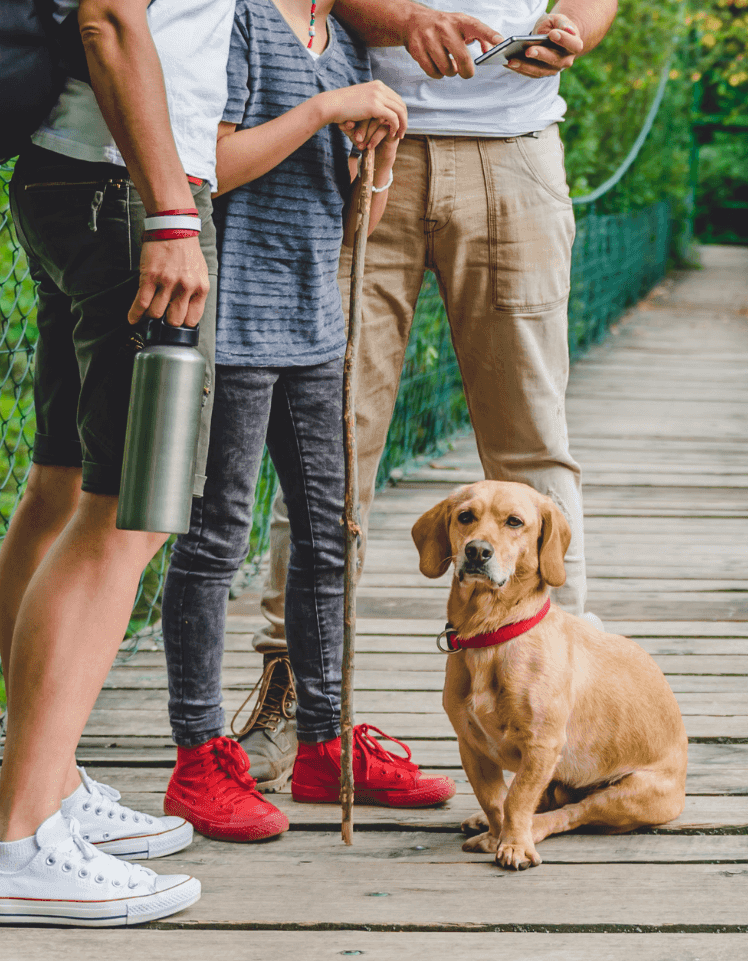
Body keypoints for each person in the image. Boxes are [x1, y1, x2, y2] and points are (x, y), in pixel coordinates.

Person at [231, 0, 620, 795]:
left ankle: (563, 695)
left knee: (532, 442)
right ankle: (295, 688)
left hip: (517, 152)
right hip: (363, 145)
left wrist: (573, 30)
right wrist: (407, 19)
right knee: (329, 435)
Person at [156, 0, 456, 841]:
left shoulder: (346, 38)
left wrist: (381, 162)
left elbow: (354, 221)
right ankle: (197, 754)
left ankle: (325, 744)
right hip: (236, 320)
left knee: (331, 532)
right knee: (216, 537)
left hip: (315, 323)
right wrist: (327, 109)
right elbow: (209, 161)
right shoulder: (243, 22)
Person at [0, 0, 235, 926]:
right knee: (132, 510)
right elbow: (111, 17)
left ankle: (55, 787)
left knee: (66, 484)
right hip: (128, 193)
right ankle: (22, 839)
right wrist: (170, 213)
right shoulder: (149, 204)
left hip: (76, 177)